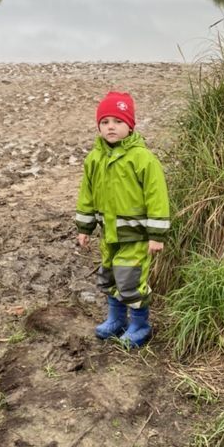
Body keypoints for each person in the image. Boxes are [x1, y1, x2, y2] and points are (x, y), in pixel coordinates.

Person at [75, 91, 170, 347]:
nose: (111, 127)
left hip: (135, 236)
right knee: (109, 276)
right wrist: (85, 227)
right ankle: (116, 319)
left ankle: (140, 325)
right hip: (109, 234)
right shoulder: (94, 159)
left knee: (130, 280)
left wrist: (156, 235)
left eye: (117, 121)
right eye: (104, 122)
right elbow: (87, 194)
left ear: (130, 125)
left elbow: (156, 196)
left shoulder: (142, 158)